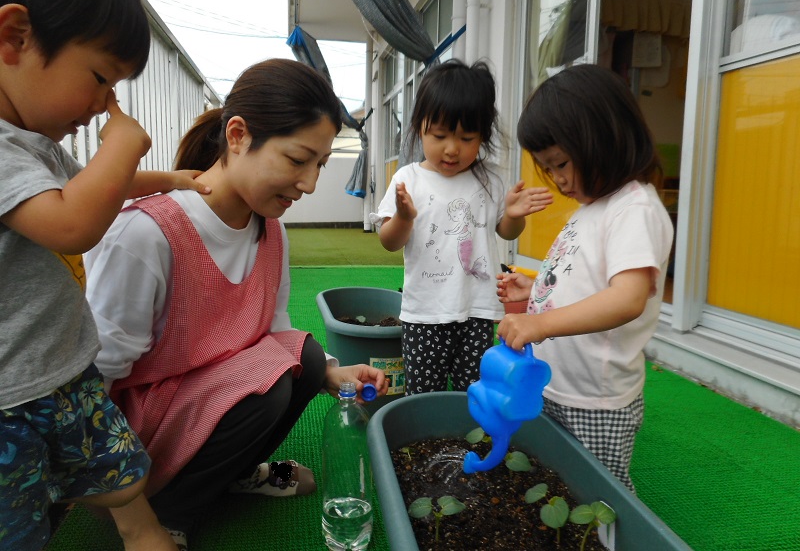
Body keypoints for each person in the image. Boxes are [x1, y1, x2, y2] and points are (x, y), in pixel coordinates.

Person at [84, 58, 388, 550]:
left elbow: (277, 328)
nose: (309, 183)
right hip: (134, 440)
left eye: (320, 166)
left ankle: (234, 474)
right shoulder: (147, 234)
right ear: (239, 135)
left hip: (209, 404)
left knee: (305, 359)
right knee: (263, 383)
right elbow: (95, 383)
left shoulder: (270, 229)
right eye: (297, 160)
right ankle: (166, 516)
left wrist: (331, 372)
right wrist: (118, 503)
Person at [0, 0, 218, 549]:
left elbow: (97, 186)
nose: (105, 103)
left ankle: (145, 533)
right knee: (20, 526)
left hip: (64, 370)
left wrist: (171, 178)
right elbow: (73, 223)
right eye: (101, 78)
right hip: (9, 398)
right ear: (14, 37)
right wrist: (123, 142)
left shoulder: (32, 143)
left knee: (122, 477)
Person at [496, 64, 674, 493]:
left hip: (595, 399)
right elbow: (589, 276)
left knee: (600, 497)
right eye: (546, 167)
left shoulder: (635, 209)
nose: (557, 179)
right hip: (558, 384)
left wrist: (538, 323)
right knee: (559, 485)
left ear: (607, 140)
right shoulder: (594, 207)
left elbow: (627, 297)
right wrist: (537, 286)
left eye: (561, 163)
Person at [370, 59, 553, 395]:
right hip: (424, 314)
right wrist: (404, 218)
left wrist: (512, 214)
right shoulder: (408, 179)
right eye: (439, 135)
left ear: (483, 135)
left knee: (476, 392)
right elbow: (389, 241)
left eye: (467, 138)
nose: (452, 149)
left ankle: (471, 446)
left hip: (478, 311)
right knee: (424, 396)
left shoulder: (491, 179)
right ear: (419, 127)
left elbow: (506, 232)